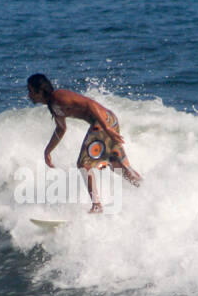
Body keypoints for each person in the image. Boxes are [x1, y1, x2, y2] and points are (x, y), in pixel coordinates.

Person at [26, 73, 142, 213]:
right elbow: (61, 129)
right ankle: (145, 188)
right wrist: (48, 151)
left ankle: (97, 205)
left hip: (103, 123)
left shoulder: (59, 96)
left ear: (40, 90)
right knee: (117, 165)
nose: (29, 95)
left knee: (83, 164)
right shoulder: (53, 105)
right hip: (108, 121)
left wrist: (107, 128)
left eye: (30, 91)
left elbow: (90, 103)